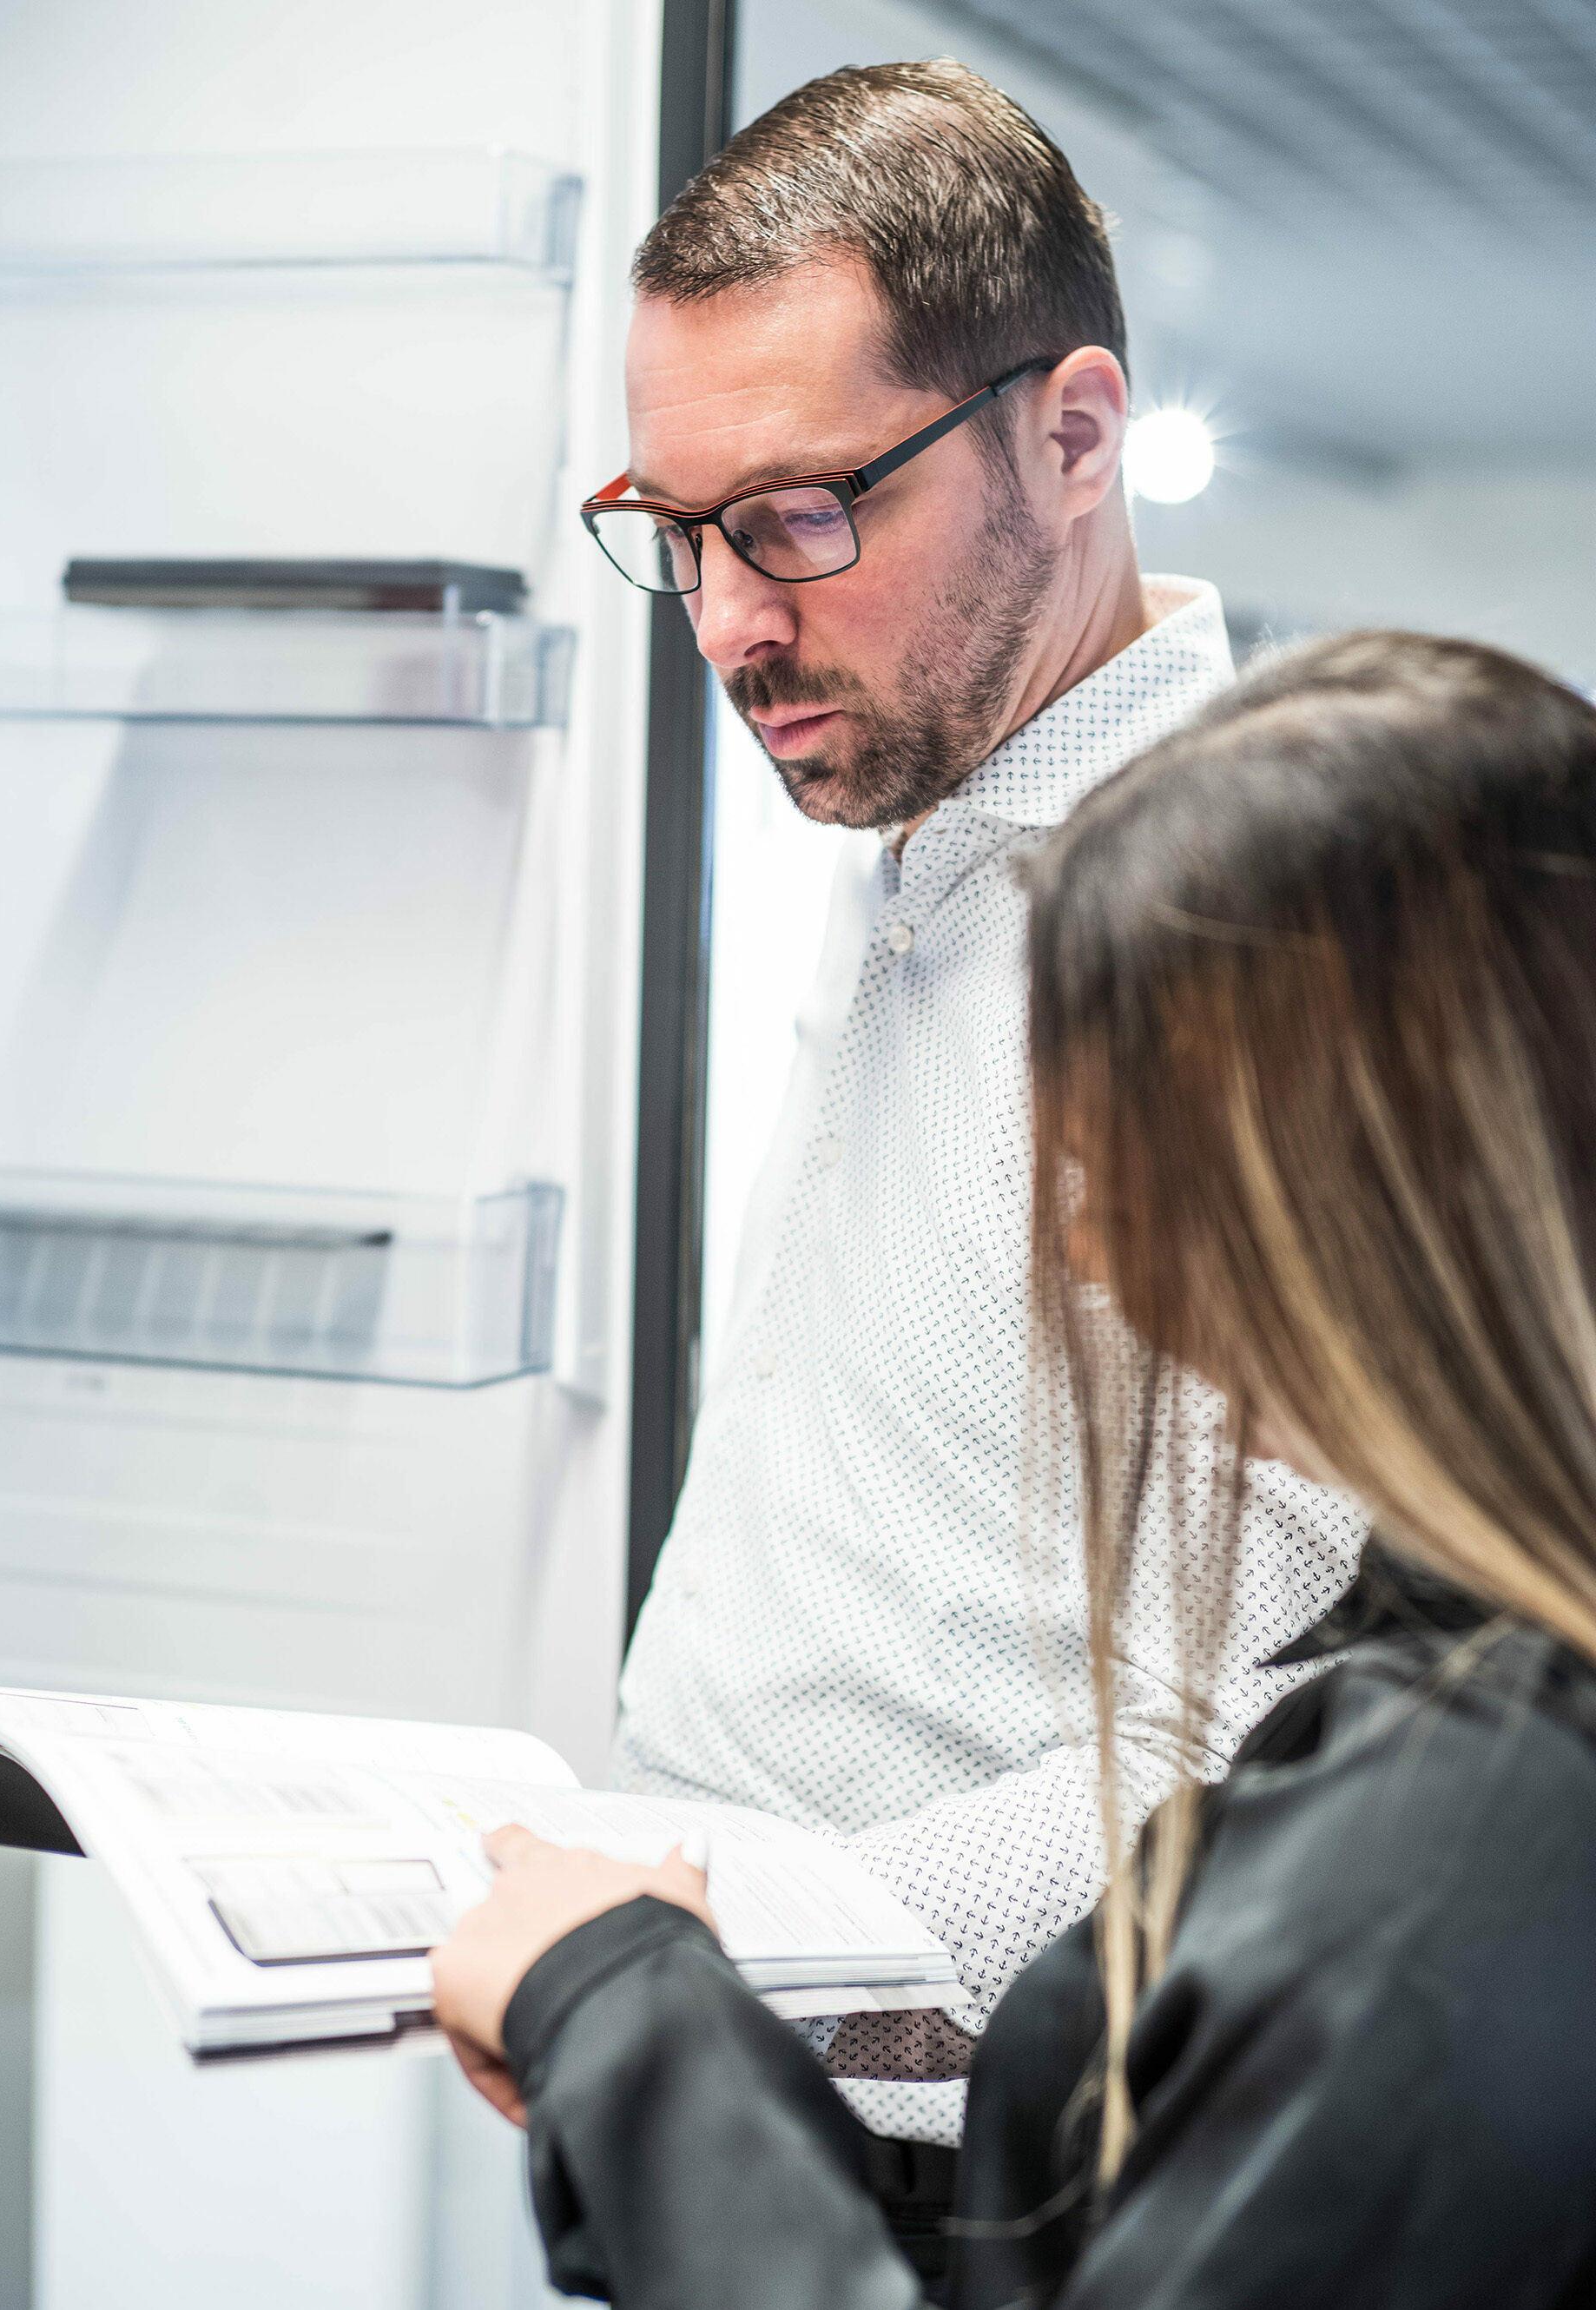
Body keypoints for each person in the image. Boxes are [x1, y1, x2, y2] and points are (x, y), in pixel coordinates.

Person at [432, 631, 1596, 2307]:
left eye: (1142, 1167)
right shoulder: (1446, 1666)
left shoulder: (1456, 1870)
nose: (1105, 1254)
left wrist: (635, 2023)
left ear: (1395, 1185)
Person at [587, 56, 1365, 2229]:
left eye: (798, 517)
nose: (731, 621)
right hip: (747, 2037)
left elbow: (1279, 1725)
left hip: (996, 2144)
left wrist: (734, 1961)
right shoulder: (937, 803)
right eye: (677, 535)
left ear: (1078, 434)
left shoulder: (1254, 930)